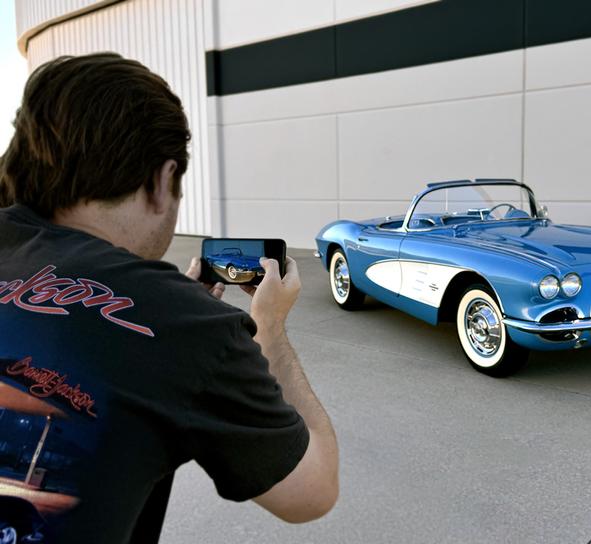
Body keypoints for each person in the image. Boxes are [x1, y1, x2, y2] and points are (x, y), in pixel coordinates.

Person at [0, 53, 338, 543]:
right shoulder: (185, 325)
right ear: (162, 180)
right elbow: (313, 491)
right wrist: (270, 328)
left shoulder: (173, 318)